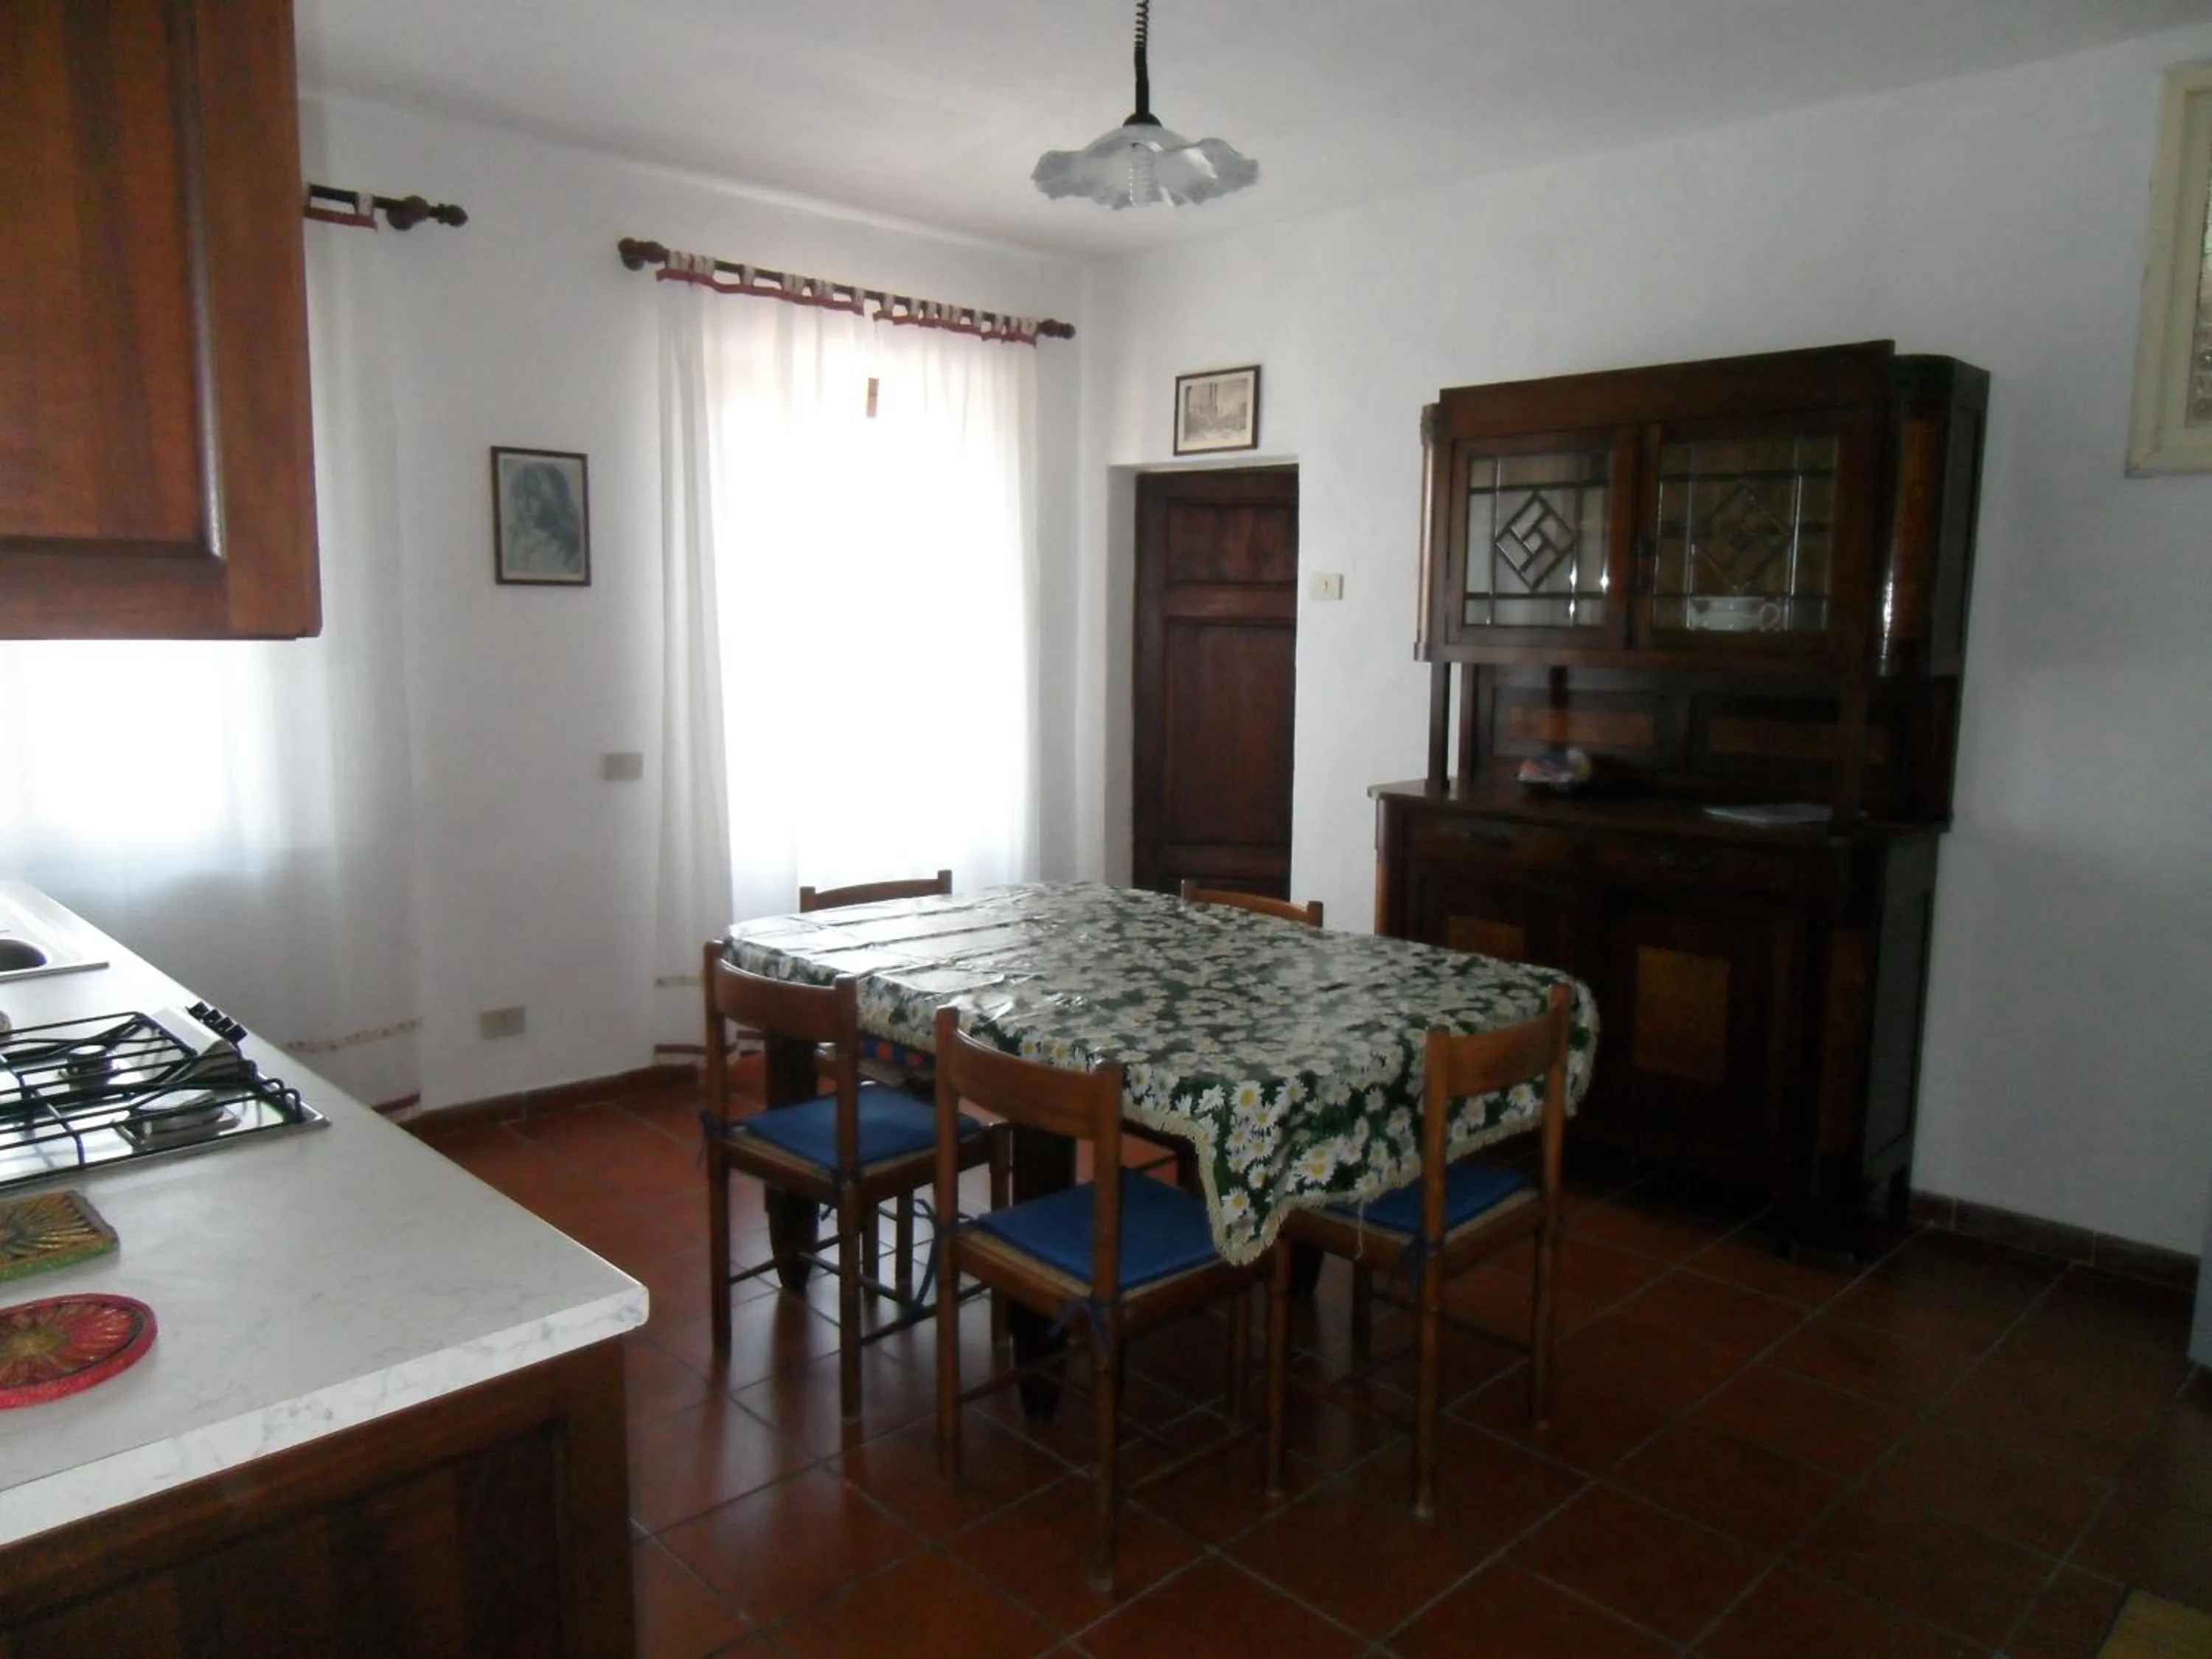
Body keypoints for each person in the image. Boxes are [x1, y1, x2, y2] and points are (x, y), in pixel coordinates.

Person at [502, 459, 584, 577]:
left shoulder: (568, 547)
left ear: (553, 500)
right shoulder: (512, 540)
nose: (525, 505)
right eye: (520, 496)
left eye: (534, 497)